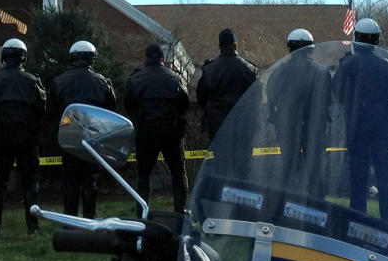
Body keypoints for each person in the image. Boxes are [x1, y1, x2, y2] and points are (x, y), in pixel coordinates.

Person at [333, 19, 388, 222]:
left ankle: (357, 216)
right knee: (385, 174)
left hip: (355, 126)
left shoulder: (347, 64)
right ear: (377, 39)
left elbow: (337, 91)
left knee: (358, 175)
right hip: (382, 127)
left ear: (357, 38)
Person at [0, 38, 46, 238]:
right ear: (23, 57)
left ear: (3, 58)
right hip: (27, 139)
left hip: (1, 138)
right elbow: (41, 109)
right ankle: (32, 226)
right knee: (30, 183)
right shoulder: (32, 81)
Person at [47, 40, 116, 218]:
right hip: (93, 138)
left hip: (68, 137)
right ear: (92, 59)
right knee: (90, 179)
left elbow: (52, 112)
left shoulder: (59, 82)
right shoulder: (102, 83)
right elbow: (111, 111)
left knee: (70, 179)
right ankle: (89, 220)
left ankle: (69, 221)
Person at [124, 42, 190, 212]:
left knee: (143, 177)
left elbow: (129, 105)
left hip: (146, 134)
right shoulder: (175, 78)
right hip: (172, 133)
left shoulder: (135, 79)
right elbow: (184, 104)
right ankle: (180, 213)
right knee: (178, 175)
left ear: (146, 59)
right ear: (163, 59)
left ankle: (142, 213)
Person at [266, 29, 332, 190]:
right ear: (310, 48)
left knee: (288, 168)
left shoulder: (279, 71)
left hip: (287, 127)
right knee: (314, 170)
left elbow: (271, 96)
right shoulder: (321, 72)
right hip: (314, 128)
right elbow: (327, 100)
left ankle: (285, 205)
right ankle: (315, 206)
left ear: (289, 47)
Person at [196, 28, 258, 144]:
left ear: (220, 46)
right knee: (242, 159)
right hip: (242, 124)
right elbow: (256, 99)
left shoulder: (209, 70)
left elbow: (201, 97)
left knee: (220, 159)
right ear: (236, 46)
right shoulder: (250, 70)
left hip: (216, 125)